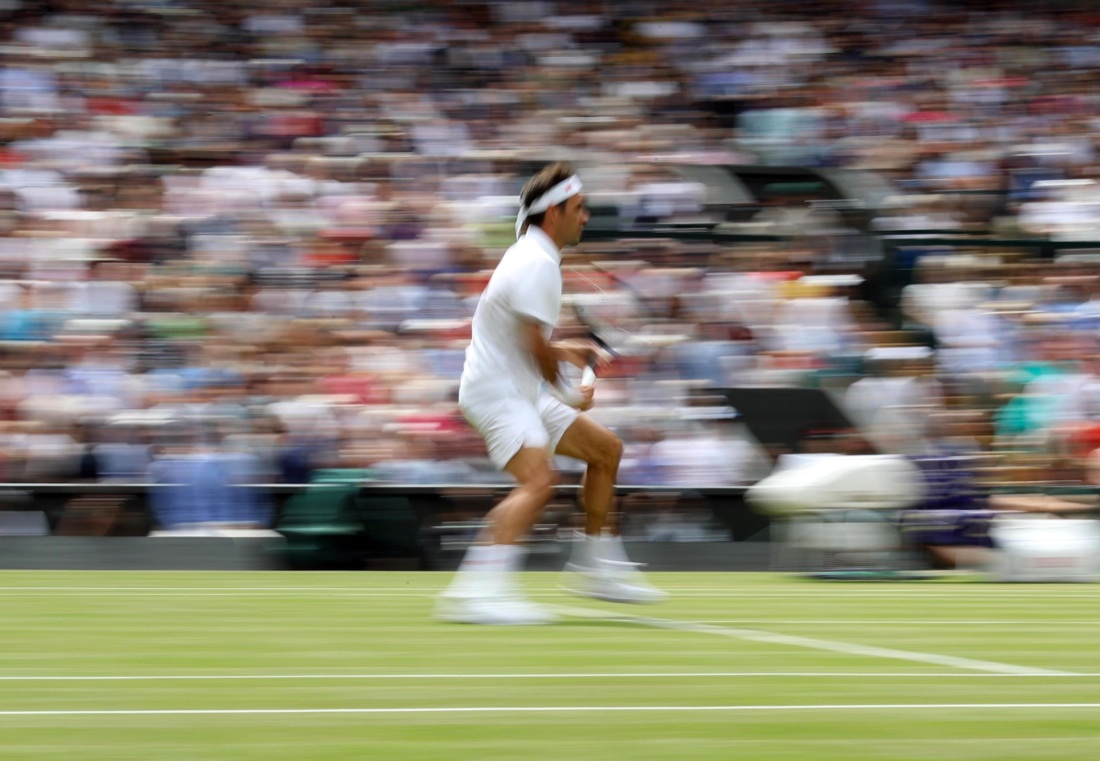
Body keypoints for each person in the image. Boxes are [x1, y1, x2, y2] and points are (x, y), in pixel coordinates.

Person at [435, 162, 666, 625]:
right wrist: (568, 391)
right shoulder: (538, 264)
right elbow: (535, 351)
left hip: (513, 386)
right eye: (578, 209)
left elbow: (528, 341)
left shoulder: (532, 256)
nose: (585, 217)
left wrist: (567, 352)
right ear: (553, 214)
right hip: (498, 393)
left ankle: (596, 568)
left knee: (605, 451)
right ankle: (476, 592)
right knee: (540, 482)